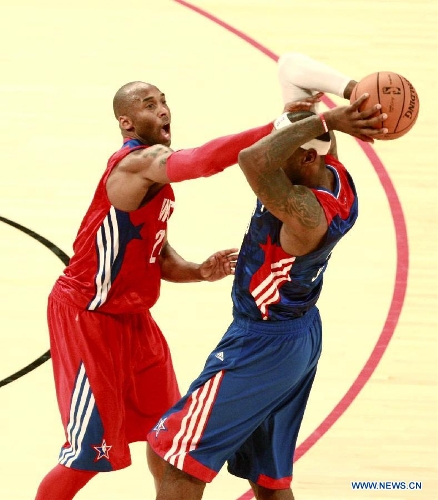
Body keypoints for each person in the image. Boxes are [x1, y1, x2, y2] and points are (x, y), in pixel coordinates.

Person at [34, 80, 299, 500]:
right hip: (88, 317)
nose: (161, 109)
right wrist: (277, 126)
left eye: (163, 101)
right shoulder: (137, 164)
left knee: (170, 438)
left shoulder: (152, 179)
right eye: (148, 104)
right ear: (126, 122)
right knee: (86, 455)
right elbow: (203, 160)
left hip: (135, 321)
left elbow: (152, 249)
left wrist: (196, 271)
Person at [146, 53, 387, 500]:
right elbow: (292, 67)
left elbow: (251, 160)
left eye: (285, 156)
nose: (275, 162)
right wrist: (353, 92)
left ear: (307, 161)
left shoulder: (308, 216)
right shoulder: (330, 170)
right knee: (268, 479)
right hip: (295, 336)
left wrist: (327, 118)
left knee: (172, 457)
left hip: (263, 343)